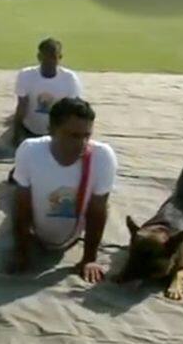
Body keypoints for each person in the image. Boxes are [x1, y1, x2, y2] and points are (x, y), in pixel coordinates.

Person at [7, 98, 118, 283]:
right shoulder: (29, 151)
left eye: (87, 136)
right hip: (36, 227)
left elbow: (98, 210)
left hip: (73, 233)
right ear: (51, 130)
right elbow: (21, 205)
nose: (82, 143)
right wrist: (21, 252)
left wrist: (89, 259)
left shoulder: (102, 157)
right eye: (73, 135)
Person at [12, 38, 83, 149]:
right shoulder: (26, 75)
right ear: (39, 57)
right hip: (30, 129)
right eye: (46, 57)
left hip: (57, 132)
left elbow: (73, 110)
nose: (49, 61)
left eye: (53, 57)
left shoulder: (69, 78)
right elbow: (22, 105)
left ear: (60, 57)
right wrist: (16, 133)